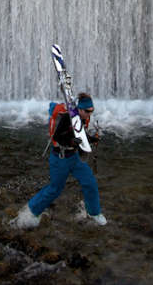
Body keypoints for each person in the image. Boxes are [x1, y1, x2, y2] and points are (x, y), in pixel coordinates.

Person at [27, 93, 107, 226]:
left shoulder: (81, 118)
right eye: (87, 111)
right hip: (60, 158)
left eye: (92, 111)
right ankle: (33, 211)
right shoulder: (66, 117)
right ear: (80, 109)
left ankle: (94, 213)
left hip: (74, 157)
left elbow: (81, 133)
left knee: (90, 182)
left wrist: (92, 139)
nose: (90, 114)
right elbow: (57, 136)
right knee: (55, 189)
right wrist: (71, 141)